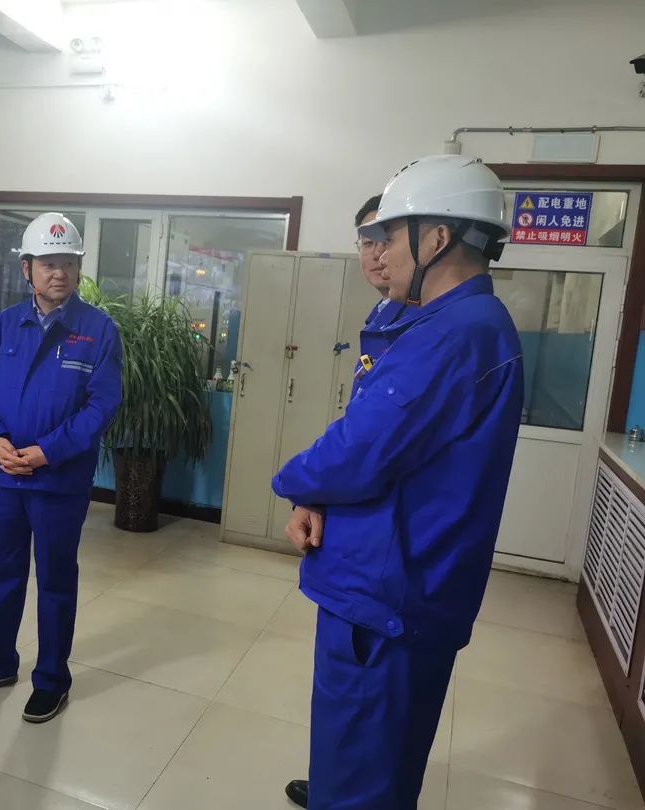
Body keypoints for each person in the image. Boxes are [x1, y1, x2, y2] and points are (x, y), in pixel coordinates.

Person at [275, 155, 524, 809]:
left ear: (436, 237)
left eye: (390, 235)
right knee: (367, 764)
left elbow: (362, 449)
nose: (379, 252)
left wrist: (293, 480)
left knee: (361, 781)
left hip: (386, 594)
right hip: (396, 583)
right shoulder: (451, 324)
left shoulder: (455, 334)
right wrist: (315, 492)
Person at [0, 212, 123, 723]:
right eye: (49, 264)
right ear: (27, 268)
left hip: (59, 479)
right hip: (6, 475)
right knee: (2, 572)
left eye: (68, 263)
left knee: (55, 580)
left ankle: (51, 679)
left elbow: (101, 405)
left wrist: (48, 451)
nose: (60, 273)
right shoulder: (6, 323)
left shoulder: (98, 330)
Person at [351, 194, 405, 398]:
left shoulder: (415, 321)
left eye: (387, 241)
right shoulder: (380, 314)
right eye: (367, 243)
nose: (377, 254)